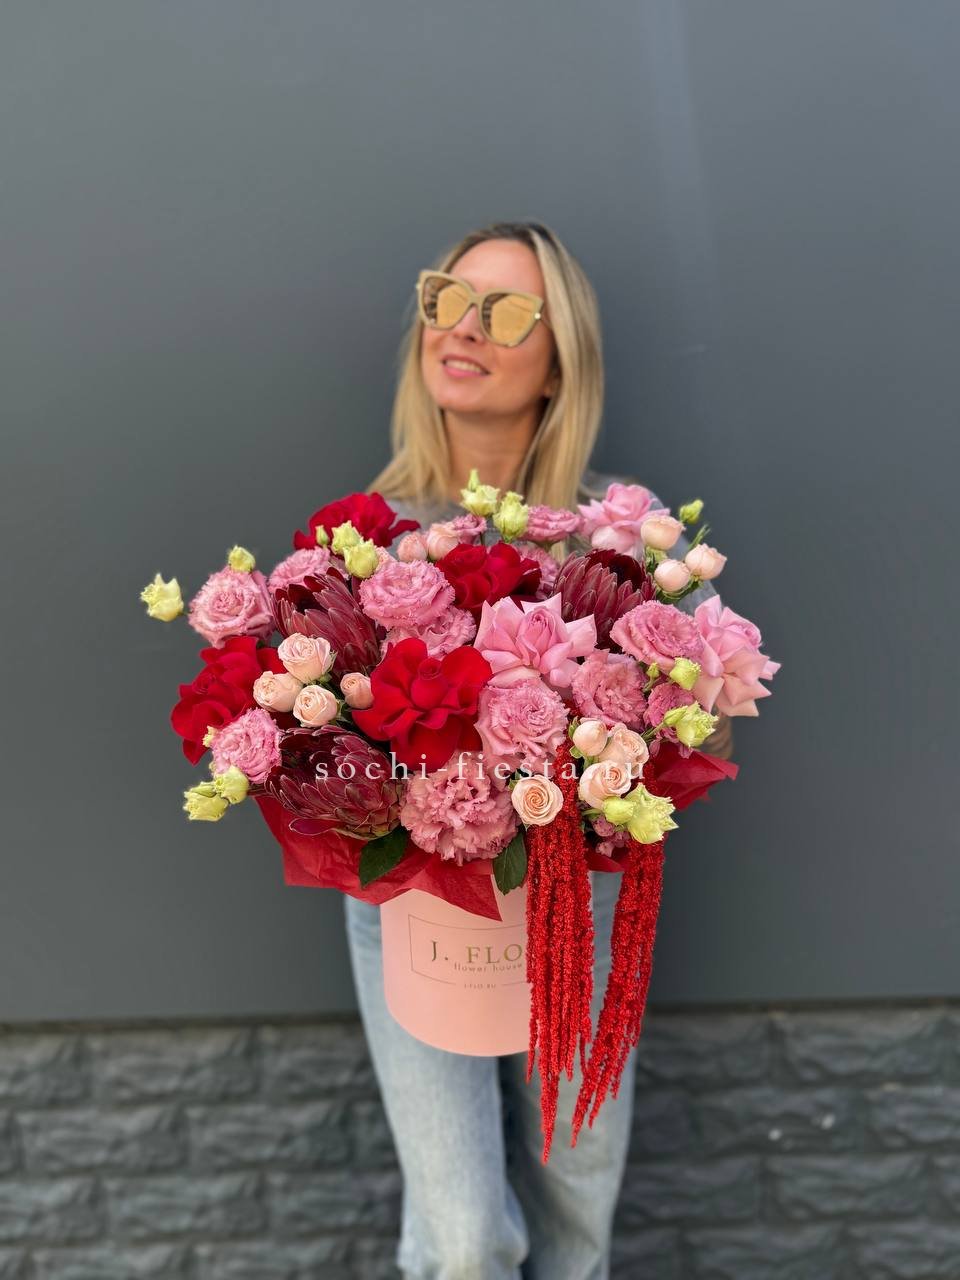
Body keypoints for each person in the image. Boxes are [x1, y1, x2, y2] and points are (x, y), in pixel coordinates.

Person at [344, 220, 733, 1279]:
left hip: (577, 904)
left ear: (560, 362)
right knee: (464, 1240)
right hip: (413, 910)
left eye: (508, 311)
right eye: (446, 298)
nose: (464, 328)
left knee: (576, 1215)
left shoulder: (622, 539)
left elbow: (698, 728)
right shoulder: (363, 539)